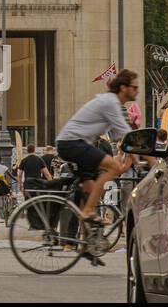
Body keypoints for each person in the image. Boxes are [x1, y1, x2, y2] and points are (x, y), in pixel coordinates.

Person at [55, 69, 138, 237]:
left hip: (71, 143)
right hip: (73, 143)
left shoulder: (111, 104)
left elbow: (118, 138)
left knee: (91, 191)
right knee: (113, 167)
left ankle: (88, 242)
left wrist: (130, 156)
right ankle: (88, 212)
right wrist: (142, 160)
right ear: (123, 88)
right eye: (135, 87)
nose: (137, 91)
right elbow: (127, 135)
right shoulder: (111, 103)